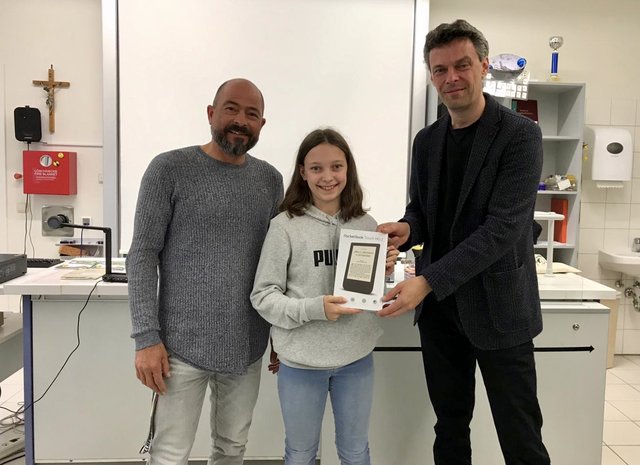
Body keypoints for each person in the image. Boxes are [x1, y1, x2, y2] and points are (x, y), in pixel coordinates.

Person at [377, 20, 551, 465]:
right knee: (449, 427)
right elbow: (422, 209)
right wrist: (407, 227)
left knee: (521, 435)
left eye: (462, 65)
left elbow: (502, 230)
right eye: (440, 70)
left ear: (482, 66)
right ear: (432, 77)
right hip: (442, 315)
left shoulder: (519, 135)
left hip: (500, 308)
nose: (451, 77)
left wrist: (427, 280)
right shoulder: (427, 141)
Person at [126, 78, 284, 465]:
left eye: (251, 113)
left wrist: (280, 334)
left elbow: (279, 262)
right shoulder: (169, 168)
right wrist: (146, 338)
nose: (240, 120)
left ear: (262, 124)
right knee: (169, 453)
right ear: (211, 113)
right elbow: (142, 254)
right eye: (231, 108)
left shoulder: (270, 180)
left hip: (247, 344)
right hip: (178, 347)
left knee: (232, 449)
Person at [251, 128, 397, 465]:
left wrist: (385, 271)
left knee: (355, 452)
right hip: (301, 363)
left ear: (348, 170)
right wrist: (315, 309)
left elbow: (371, 295)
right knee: (301, 454)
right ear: (303, 172)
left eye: (336, 166)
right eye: (316, 168)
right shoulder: (284, 226)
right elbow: (263, 297)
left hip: (356, 359)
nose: (327, 177)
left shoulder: (367, 224)